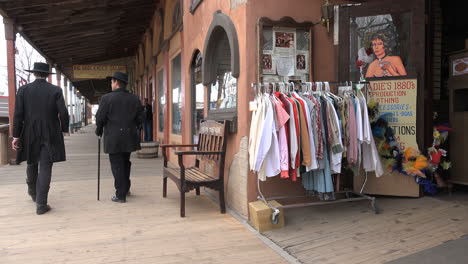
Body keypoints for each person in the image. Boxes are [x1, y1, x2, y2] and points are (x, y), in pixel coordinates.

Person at [12, 62, 69, 215]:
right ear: (46, 75)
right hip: (50, 132)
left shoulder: (24, 90)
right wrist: (64, 129)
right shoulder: (55, 90)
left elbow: (18, 115)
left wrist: (16, 136)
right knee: (45, 166)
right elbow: (63, 113)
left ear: (34, 73)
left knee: (31, 162)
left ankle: (33, 192)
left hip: (29, 131)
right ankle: (41, 205)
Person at [95, 72, 144, 203]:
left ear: (116, 82)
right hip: (129, 136)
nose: (111, 84)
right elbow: (141, 118)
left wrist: (99, 131)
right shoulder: (134, 98)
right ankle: (126, 188)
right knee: (125, 162)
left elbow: (100, 118)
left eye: (111, 82)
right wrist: (134, 127)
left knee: (117, 165)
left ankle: (120, 194)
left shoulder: (106, 98)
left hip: (114, 137)